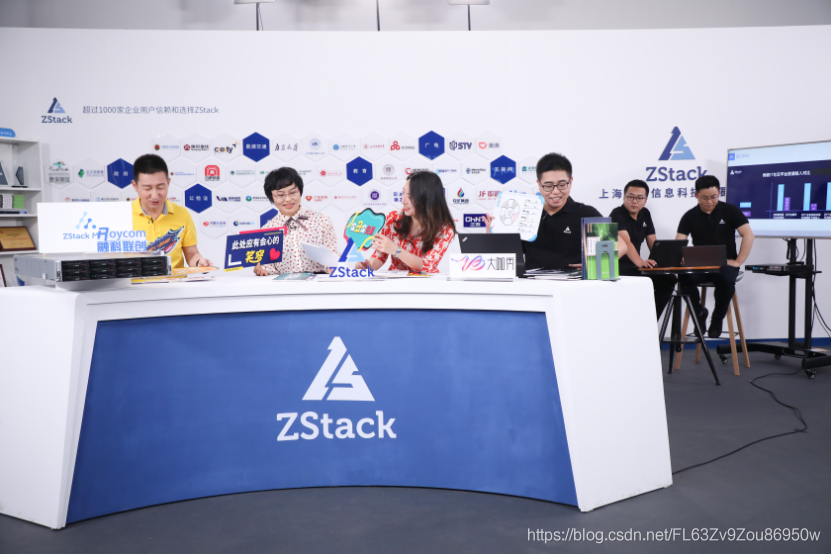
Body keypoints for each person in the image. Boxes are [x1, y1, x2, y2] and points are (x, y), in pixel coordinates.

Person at [677, 175, 755, 338]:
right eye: (704, 198)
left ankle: (717, 319)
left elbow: (748, 234)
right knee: (683, 277)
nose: (710, 201)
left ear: (719, 193)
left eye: (713, 197)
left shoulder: (730, 210)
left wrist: (738, 261)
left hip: (725, 264)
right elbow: (679, 241)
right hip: (700, 265)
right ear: (696, 195)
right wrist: (681, 256)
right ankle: (699, 313)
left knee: (725, 280)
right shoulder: (690, 216)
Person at [520, 152, 625, 270]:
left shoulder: (585, 214)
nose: (555, 191)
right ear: (539, 185)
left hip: (574, 280)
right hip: (532, 280)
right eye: (548, 186)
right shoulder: (525, 213)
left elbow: (620, 246)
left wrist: (596, 264)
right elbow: (510, 249)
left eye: (562, 184)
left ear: (570, 182)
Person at [356, 170, 456, 274]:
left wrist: (396, 250)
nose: (403, 201)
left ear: (427, 198)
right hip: (395, 280)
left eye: (410, 195)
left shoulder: (445, 229)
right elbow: (380, 256)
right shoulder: (394, 218)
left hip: (426, 281)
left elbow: (427, 265)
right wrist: (368, 266)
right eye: (403, 193)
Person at [131, 153, 213, 269]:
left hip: (175, 280)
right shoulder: (122, 216)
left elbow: (191, 254)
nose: (155, 195)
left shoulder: (182, 214)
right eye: (147, 188)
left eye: (160, 187)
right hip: (137, 280)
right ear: (135, 186)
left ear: (168, 183)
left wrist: (200, 262)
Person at [254, 167, 338, 275]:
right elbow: (268, 267)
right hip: (285, 284)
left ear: (300, 191)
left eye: (293, 192)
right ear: (272, 196)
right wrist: (262, 270)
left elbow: (332, 254)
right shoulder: (267, 230)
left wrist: (333, 265)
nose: (288, 199)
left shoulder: (321, 220)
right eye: (280, 195)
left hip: (318, 282)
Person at [610, 179, 675, 318]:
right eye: (630, 197)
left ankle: (650, 320)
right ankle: (642, 320)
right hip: (618, 265)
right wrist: (640, 262)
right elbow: (626, 242)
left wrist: (669, 260)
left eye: (639, 198)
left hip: (635, 267)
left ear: (645, 200)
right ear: (624, 197)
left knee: (668, 279)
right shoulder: (617, 215)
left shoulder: (645, 213)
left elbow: (653, 242)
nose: (635, 201)